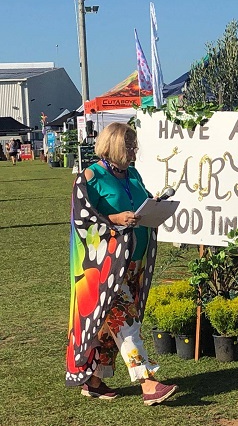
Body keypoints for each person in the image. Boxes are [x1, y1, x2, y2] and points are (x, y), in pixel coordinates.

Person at [65, 122, 177, 406]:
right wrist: (115, 219)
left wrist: (154, 206)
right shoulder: (90, 177)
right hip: (105, 267)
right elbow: (82, 221)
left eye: (134, 145)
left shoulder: (133, 174)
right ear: (112, 145)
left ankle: (93, 380)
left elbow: (140, 202)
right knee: (125, 320)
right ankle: (148, 382)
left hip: (133, 264)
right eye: (128, 145)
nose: (133, 150)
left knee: (107, 323)